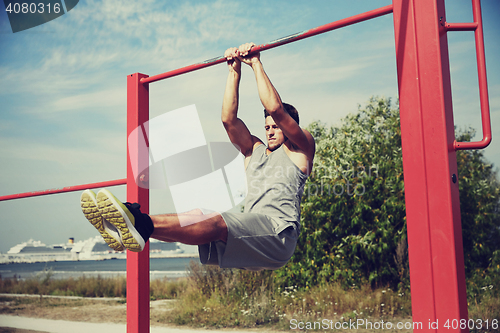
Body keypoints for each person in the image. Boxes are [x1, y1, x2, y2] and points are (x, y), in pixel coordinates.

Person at [80, 42, 315, 270]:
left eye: (276, 127)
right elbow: (228, 120)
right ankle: (136, 226)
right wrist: (234, 70)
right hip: (253, 237)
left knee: (217, 220)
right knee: (197, 214)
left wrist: (255, 62)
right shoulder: (254, 150)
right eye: (267, 127)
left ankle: (136, 221)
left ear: (290, 127)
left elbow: (275, 109)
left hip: (278, 236)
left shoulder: (300, 150)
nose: (271, 130)